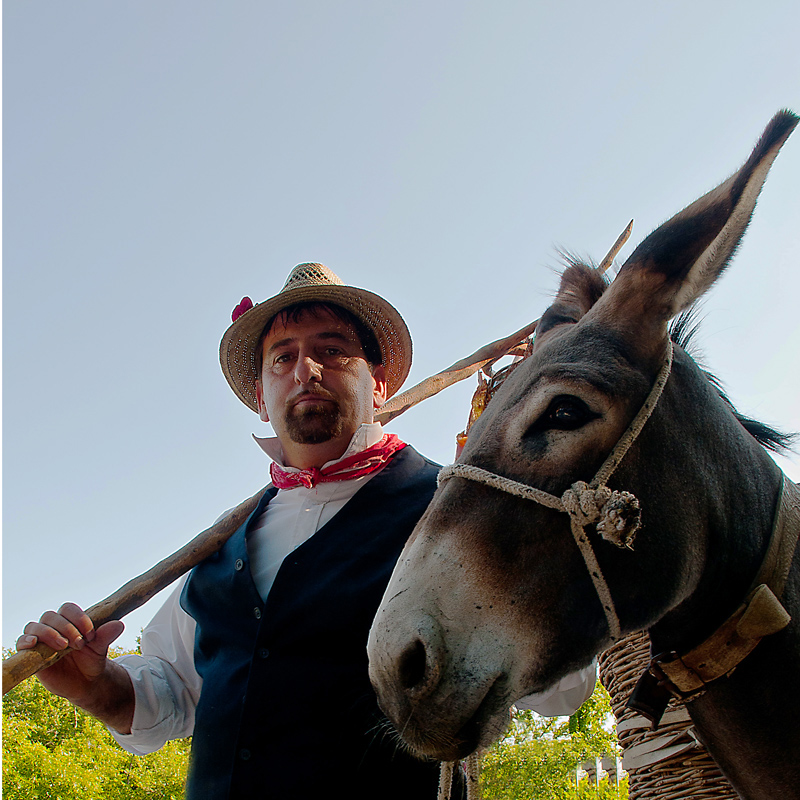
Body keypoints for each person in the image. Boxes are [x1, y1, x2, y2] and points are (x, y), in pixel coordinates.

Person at [18, 263, 595, 798]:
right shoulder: (222, 549)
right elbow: (167, 696)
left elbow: (564, 689)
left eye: (332, 350)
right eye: (283, 357)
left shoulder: (453, 509)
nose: (306, 370)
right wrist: (93, 685)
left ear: (381, 381)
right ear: (263, 401)